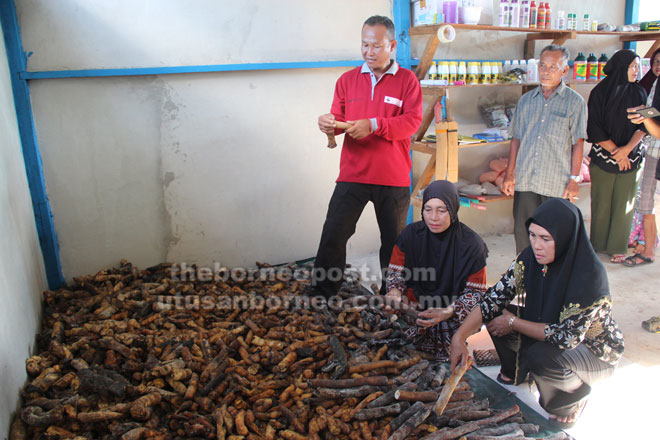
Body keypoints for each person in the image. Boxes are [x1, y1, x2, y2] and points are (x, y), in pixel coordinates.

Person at [450, 198, 624, 429]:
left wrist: (513, 322)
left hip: (593, 352)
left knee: (543, 356)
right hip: (551, 328)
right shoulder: (529, 259)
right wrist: (459, 337)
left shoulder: (590, 275)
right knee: (495, 311)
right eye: (532, 235)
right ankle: (516, 371)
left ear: (565, 238)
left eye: (545, 239)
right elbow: (493, 298)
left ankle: (571, 397)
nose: (536, 245)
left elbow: (566, 337)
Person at [310, 15, 423, 298]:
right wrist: (328, 123)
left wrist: (374, 124)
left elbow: (412, 122)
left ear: (392, 45)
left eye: (376, 46)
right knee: (334, 234)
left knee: (394, 243)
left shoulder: (408, 81)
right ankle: (324, 292)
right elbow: (338, 117)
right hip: (353, 174)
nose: (369, 52)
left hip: (393, 177)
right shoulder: (347, 80)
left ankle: (392, 296)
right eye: (364, 45)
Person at [384, 180, 488, 361]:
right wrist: (394, 293)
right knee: (389, 327)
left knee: (468, 321)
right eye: (428, 209)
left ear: (453, 209)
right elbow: (395, 273)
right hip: (415, 305)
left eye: (441, 210)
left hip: (452, 309)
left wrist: (448, 311)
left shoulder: (471, 245)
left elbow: (476, 293)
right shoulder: (410, 235)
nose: (433, 217)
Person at [500, 44, 587, 254]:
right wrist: (509, 174)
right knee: (524, 236)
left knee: (553, 238)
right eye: (542, 66)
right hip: (527, 180)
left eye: (552, 66)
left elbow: (578, 143)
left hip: (555, 183)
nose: (546, 71)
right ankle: (523, 281)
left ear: (564, 70)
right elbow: (516, 139)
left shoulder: (575, 103)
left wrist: (574, 179)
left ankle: (550, 284)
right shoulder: (526, 101)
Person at [586, 49, 647, 264]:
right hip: (604, 157)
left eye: (638, 66)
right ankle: (598, 244)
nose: (637, 71)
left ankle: (618, 247)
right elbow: (594, 127)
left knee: (625, 203)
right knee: (601, 202)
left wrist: (627, 151)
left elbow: (645, 125)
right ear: (622, 68)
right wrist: (617, 153)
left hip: (632, 157)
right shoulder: (599, 92)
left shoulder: (639, 92)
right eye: (633, 66)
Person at [624, 48, 660, 267]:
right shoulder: (656, 83)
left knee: (648, 204)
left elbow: (656, 127)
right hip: (653, 150)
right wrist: (645, 112)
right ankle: (648, 246)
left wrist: (643, 118)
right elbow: (655, 111)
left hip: (656, 153)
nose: (658, 65)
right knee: (649, 204)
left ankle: (648, 250)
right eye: (656, 61)